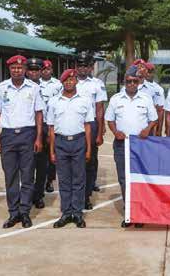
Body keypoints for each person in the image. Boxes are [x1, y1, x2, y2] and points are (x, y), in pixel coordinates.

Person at [0, 55, 44, 229]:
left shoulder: (34, 88)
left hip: (28, 134)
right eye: (13, 68)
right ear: (9, 69)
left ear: (25, 70)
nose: (17, 70)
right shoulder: (1, 88)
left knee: (27, 176)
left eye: (20, 68)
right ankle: (13, 212)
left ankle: (25, 212)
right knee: (10, 176)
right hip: (8, 136)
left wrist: (38, 137)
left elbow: (39, 114)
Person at [104, 65, 158, 228]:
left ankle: (140, 213)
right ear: (124, 82)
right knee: (124, 178)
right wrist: (115, 132)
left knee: (140, 178)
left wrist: (147, 130)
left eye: (135, 81)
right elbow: (110, 120)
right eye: (129, 81)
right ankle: (129, 212)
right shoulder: (116, 99)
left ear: (139, 82)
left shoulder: (146, 99)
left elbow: (154, 119)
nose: (132, 84)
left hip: (141, 144)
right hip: (122, 144)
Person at [47, 69, 94, 228]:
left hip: (79, 141)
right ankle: (66, 213)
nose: (69, 82)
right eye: (66, 80)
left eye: (72, 80)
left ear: (76, 81)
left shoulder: (85, 100)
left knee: (79, 179)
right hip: (60, 142)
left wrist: (88, 149)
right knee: (64, 180)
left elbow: (87, 126)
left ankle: (77, 213)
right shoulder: (54, 101)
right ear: (62, 82)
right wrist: (52, 151)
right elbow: (51, 128)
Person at [76, 52, 108, 209]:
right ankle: (75, 195)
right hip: (74, 125)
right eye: (80, 65)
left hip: (91, 124)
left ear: (90, 67)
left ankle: (86, 196)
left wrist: (100, 131)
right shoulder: (68, 81)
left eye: (86, 65)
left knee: (90, 161)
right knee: (75, 161)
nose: (83, 68)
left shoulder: (97, 84)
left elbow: (100, 109)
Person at [26, 57, 51, 210]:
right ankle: (28, 195)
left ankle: (39, 195)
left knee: (42, 165)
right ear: (27, 71)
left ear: (41, 71)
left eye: (37, 70)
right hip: (28, 129)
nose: (34, 73)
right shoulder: (23, 86)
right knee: (27, 166)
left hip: (45, 127)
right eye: (31, 70)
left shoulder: (51, 87)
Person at [39, 60, 62, 193]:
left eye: (48, 69)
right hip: (40, 122)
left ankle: (50, 180)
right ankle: (40, 180)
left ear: (52, 70)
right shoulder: (35, 83)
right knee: (40, 154)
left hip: (53, 123)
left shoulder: (58, 84)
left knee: (52, 153)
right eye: (43, 69)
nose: (46, 71)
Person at [134, 59, 165, 136]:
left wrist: (159, 130)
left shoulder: (155, 89)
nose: (148, 74)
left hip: (149, 126)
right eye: (138, 68)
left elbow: (160, 111)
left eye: (150, 72)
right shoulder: (128, 87)